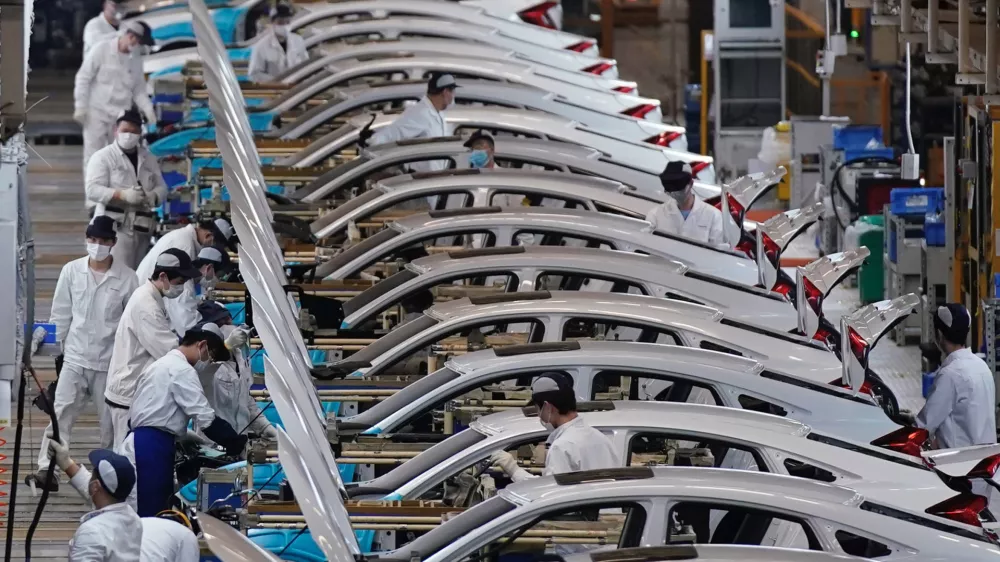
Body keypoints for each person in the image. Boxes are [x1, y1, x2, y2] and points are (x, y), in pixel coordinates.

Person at [28, 217, 140, 492]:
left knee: (110, 426)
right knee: (60, 414)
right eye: (93, 240)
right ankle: (48, 469)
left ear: (113, 243)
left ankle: (108, 476)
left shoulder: (128, 279)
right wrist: (42, 339)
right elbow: (61, 314)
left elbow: (132, 325)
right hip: (75, 358)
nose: (97, 246)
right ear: (86, 239)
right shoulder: (71, 271)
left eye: (103, 241)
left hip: (110, 364)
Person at [120, 329, 246, 516]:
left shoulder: (162, 364)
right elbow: (205, 418)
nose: (208, 363)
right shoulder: (182, 370)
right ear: (201, 345)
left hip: (148, 441)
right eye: (210, 357)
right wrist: (234, 442)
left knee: (157, 506)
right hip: (150, 447)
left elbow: (157, 410)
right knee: (151, 510)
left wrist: (184, 435)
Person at [105, 249, 202, 447]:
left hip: (135, 389)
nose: (182, 287)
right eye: (180, 282)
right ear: (163, 276)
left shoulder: (153, 297)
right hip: (128, 394)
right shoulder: (146, 306)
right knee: (127, 461)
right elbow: (170, 354)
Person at [490, 373, 619, 481]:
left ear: (547, 407)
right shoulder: (602, 439)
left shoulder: (562, 447)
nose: (539, 416)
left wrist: (513, 470)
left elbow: (550, 495)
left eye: (538, 409)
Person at [903, 304, 997, 451]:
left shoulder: (950, 375)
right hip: (985, 463)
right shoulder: (982, 366)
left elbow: (923, 427)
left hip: (957, 467)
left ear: (939, 334)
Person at [85, 107, 168, 270]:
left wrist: (154, 196)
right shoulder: (103, 157)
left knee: (138, 273)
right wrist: (121, 195)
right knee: (115, 272)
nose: (129, 135)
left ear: (139, 133)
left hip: (142, 227)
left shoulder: (148, 157)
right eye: (125, 130)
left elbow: (162, 186)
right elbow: (92, 189)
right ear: (116, 131)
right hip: (115, 227)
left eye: (133, 131)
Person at [74, 20, 157, 170]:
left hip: (119, 117)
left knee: (118, 159)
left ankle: (112, 193)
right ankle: (93, 193)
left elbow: (138, 90)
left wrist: (148, 109)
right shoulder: (102, 50)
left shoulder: (135, 61)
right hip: (97, 113)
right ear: (131, 36)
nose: (138, 46)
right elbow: (84, 77)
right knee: (93, 158)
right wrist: (81, 106)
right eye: (139, 42)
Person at [47, 441, 142, 561]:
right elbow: (99, 492)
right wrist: (66, 462)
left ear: (95, 486)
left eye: (92, 475)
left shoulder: (92, 532)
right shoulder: (134, 519)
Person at [364, 72, 459, 172]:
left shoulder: (437, 113)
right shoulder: (420, 114)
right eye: (452, 91)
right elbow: (391, 134)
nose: (453, 96)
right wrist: (372, 143)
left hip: (434, 179)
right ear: (445, 92)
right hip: (421, 180)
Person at [199, 322, 276, 439]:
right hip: (213, 443)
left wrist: (265, 427)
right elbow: (201, 374)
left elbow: (247, 402)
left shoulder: (240, 361)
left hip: (239, 440)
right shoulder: (207, 367)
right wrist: (224, 347)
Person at [135, 218, 234, 284]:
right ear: (208, 236)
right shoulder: (186, 246)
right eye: (215, 245)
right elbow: (183, 297)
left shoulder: (186, 238)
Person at [646, 161, 723, 245]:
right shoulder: (655, 215)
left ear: (691, 184)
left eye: (679, 189)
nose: (675, 193)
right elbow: (645, 243)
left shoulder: (713, 216)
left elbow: (719, 250)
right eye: (670, 191)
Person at [162, 245, 231, 336]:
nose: (217, 280)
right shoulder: (184, 288)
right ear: (209, 268)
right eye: (219, 275)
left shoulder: (189, 283)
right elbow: (188, 328)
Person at [246, 2, 307, 83]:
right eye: (280, 22)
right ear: (272, 23)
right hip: (273, 91)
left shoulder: (298, 41)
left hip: (297, 89)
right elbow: (253, 75)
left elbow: (306, 66)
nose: (284, 26)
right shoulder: (261, 46)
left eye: (287, 22)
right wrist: (276, 81)